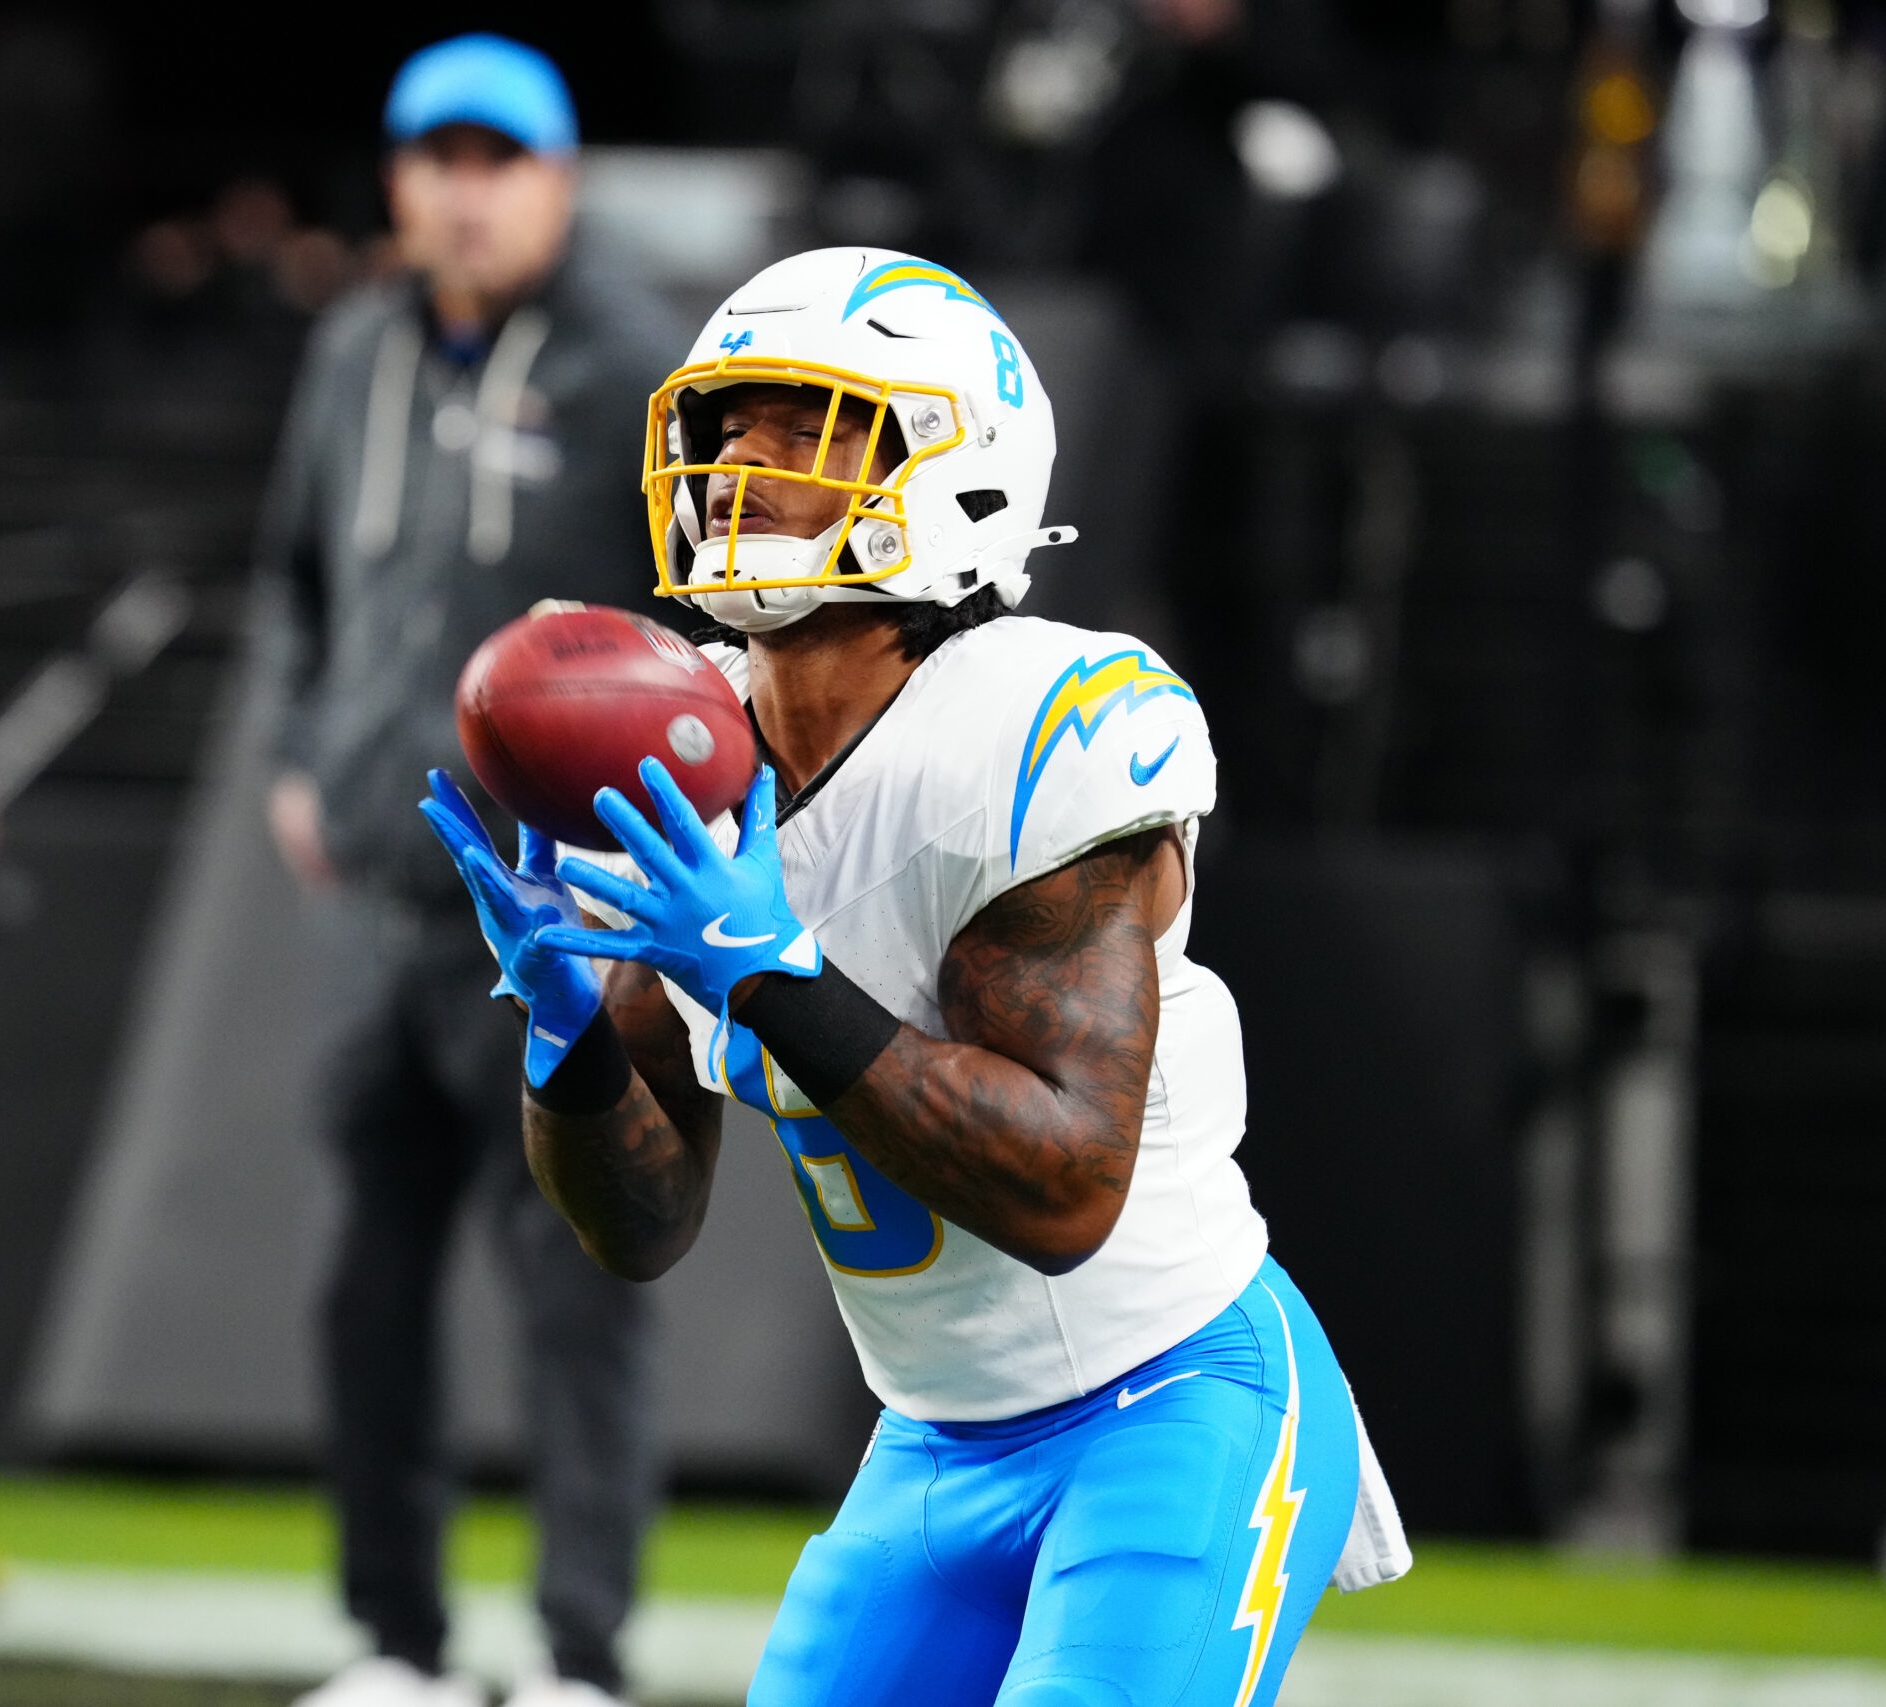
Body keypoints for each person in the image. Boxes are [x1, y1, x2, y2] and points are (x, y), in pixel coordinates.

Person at [420, 247, 1412, 1707]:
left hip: (1172, 1401)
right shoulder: (690, 756)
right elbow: (641, 1225)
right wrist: (566, 1035)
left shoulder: (1032, 731)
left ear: (959, 473)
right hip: (935, 1442)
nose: (740, 468)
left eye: (803, 427)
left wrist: (771, 976)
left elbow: (1064, 1189)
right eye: (725, 427)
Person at [257, 34, 680, 1707]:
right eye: (437, 156)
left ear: (561, 180)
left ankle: (581, 1654)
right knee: (368, 1284)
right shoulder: (354, 348)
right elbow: (294, 578)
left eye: (500, 159)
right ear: (395, 180)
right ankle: (396, 1649)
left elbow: (704, 626)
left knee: (582, 1285)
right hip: (382, 900)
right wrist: (300, 751)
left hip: (562, 913)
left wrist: (645, 855)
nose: (466, 188)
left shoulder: (638, 363)